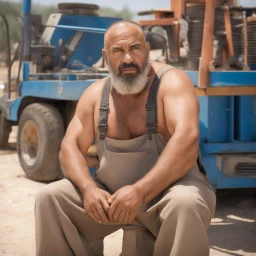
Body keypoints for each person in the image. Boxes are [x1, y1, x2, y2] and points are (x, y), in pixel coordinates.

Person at [35, 20, 216, 256]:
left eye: (135, 48)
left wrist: (140, 192)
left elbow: (187, 139)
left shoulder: (171, 83)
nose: (128, 59)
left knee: (186, 203)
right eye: (118, 51)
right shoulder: (95, 94)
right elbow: (69, 147)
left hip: (168, 193)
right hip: (113, 196)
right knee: (50, 198)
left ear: (148, 50)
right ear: (106, 55)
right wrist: (89, 189)